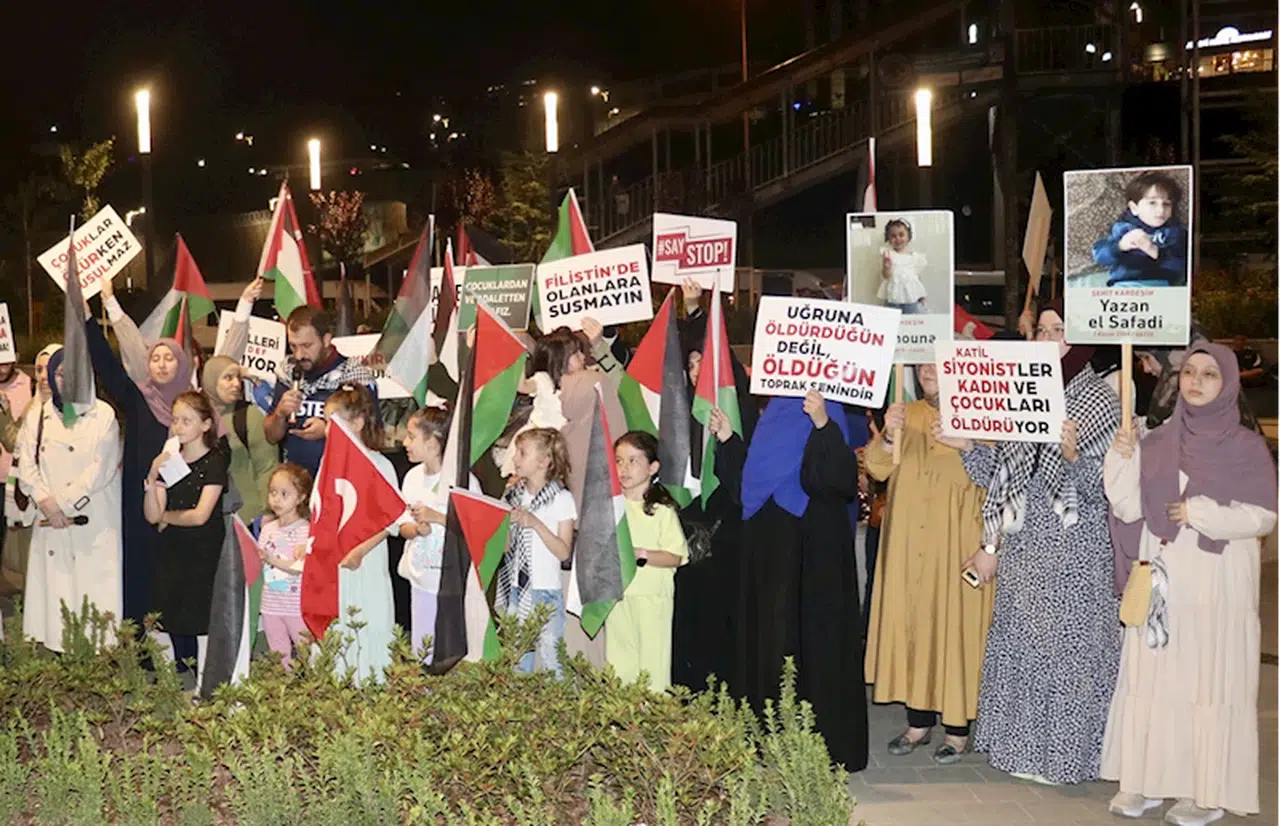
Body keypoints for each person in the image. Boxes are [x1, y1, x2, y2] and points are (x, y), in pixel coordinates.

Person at [1101, 343, 1278, 824]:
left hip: (1215, 583)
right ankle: (1148, 780)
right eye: (1190, 373)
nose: (1195, 381)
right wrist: (1120, 459)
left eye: (1209, 375)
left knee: (1206, 677)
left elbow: (1263, 515)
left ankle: (1204, 790)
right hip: (1163, 578)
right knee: (1158, 679)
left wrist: (1202, 514)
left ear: (1229, 385)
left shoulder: (1245, 447)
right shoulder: (1156, 441)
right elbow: (1128, 508)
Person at [957, 300, 1122, 785]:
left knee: (1067, 653)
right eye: (1042, 330)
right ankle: (1024, 751)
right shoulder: (1024, 391)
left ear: (1080, 339)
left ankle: (1067, 757)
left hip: (1072, 548)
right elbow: (1006, 476)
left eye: (1059, 330)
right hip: (1026, 545)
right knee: (1024, 648)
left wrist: (1074, 458)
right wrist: (969, 448)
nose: (1047, 339)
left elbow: (1106, 489)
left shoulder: (1098, 399)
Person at [864, 364, 992, 764]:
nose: (928, 371)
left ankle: (957, 730)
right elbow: (877, 469)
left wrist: (969, 445)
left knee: (952, 631)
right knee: (915, 626)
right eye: (922, 364)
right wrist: (887, 434)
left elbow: (1001, 478)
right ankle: (917, 722)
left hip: (957, 547)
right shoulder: (908, 412)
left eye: (938, 363)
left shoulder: (982, 415)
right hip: (907, 545)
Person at [736, 390, 867, 771]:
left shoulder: (830, 408)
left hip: (816, 548)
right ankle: (773, 737)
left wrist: (823, 423)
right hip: (774, 545)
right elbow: (751, 480)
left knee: (814, 640)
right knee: (776, 639)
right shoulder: (775, 411)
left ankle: (819, 744)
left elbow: (840, 480)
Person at [670, 280, 757, 690]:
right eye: (690, 367)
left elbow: (743, 482)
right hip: (686, 526)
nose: (696, 372)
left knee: (722, 617)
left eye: (704, 365)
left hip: (727, 534)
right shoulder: (678, 414)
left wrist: (727, 441)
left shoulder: (737, 416)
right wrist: (690, 310)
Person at [85, 314, 195, 636]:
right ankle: (138, 650)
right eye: (155, 358)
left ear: (182, 364)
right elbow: (107, 366)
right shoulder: (139, 401)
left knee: (179, 581)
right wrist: (90, 320)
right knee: (140, 577)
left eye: (169, 358)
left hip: (182, 512)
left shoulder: (195, 406)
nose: (161, 365)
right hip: (140, 508)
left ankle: (184, 655)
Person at [18, 350, 123, 652]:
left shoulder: (103, 415)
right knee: (58, 597)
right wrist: (45, 502)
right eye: (60, 374)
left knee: (94, 597)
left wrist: (62, 504)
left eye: (72, 372)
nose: (65, 380)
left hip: (93, 520)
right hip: (51, 522)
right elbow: (27, 462)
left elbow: (100, 469)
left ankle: (98, 664)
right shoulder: (37, 414)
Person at [143, 391, 228, 688]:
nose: (178, 426)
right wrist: (153, 479)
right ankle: (167, 682)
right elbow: (153, 515)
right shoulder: (169, 460)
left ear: (205, 425)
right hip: (172, 550)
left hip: (202, 550)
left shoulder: (215, 461)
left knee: (200, 619)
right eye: (175, 420)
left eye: (187, 420)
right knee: (158, 616)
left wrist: (167, 517)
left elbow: (200, 515)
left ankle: (206, 685)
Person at [321, 385, 398, 685]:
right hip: (336, 564)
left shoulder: (380, 465)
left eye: (333, 422)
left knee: (370, 621)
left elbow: (392, 519)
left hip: (365, 562)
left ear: (356, 423)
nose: (327, 430)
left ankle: (372, 684)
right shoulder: (328, 468)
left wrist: (361, 550)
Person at [609, 431, 689, 692]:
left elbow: (676, 556)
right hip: (618, 596)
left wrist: (642, 554)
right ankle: (623, 723)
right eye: (619, 461)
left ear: (652, 467)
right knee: (620, 665)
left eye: (633, 461)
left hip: (651, 597)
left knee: (652, 667)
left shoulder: (661, 509)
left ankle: (653, 725)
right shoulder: (612, 507)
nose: (624, 468)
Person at [397, 408, 480, 659]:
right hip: (420, 578)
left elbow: (476, 531)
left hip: (451, 582)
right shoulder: (412, 478)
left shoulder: (463, 480)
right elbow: (402, 526)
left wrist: (438, 517)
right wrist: (416, 530)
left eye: (412, 436)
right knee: (423, 648)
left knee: (451, 650)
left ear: (432, 443)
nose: (404, 442)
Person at [265, 307, 378, 480]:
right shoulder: (288, 373)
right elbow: (271, 437)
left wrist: (328, 431)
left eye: (306, 346)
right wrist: (280, 414)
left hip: (341, 482)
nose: (299, 355)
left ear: (326, 340)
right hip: (296, 485)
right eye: (293, 346)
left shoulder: (356, 376)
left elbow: (373, 437)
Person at [500, 427, 576, 676]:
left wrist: (535, 524)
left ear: (544, 462)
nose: (515, 459)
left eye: (522, 453)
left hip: (545, 593)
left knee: (553, 662)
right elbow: (506, 547)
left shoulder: (562, 499)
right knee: (517, 663)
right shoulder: (512, 496)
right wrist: (504, 525)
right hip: (515, 589)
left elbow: (564, 552)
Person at [1091, 171, 1188, 287]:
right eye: (1152, 203)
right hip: (1124, 285)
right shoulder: (1122, 229)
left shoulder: (1174, 232)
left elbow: (1181, 265)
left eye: (1167, 204)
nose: (1161, 210)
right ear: (1134, 208)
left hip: (1161, 286)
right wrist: (1120, 246)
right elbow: (1100, 256)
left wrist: (1156, 252)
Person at [257, 463, 311, 670]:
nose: (276, 499)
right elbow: (260, 561)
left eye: (284, 494)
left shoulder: (304, 531)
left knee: (306, 651)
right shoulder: (268, 528)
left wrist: (271, 559)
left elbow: (299, 567)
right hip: (270, 603)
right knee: (278, 653)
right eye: (273, 493)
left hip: (295, 605)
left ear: (301, 497)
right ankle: (284, 691)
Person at [0, 353, 33, 587]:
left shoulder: (26, 385)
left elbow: (21, 432)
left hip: (10, 477)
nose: (2, 367)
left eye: (6, 361)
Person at [878, 218, 928, 314]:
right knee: (891, 320)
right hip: (893, 296)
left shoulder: (915, 257)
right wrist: (887, 267)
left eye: (901, 235)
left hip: (911, 297)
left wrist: (921, 295)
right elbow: (886, 276)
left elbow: (916, 278)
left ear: (908, 236)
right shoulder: (888, 254)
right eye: (893, 236)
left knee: (911, 319)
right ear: (888, 239)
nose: (897, 239)